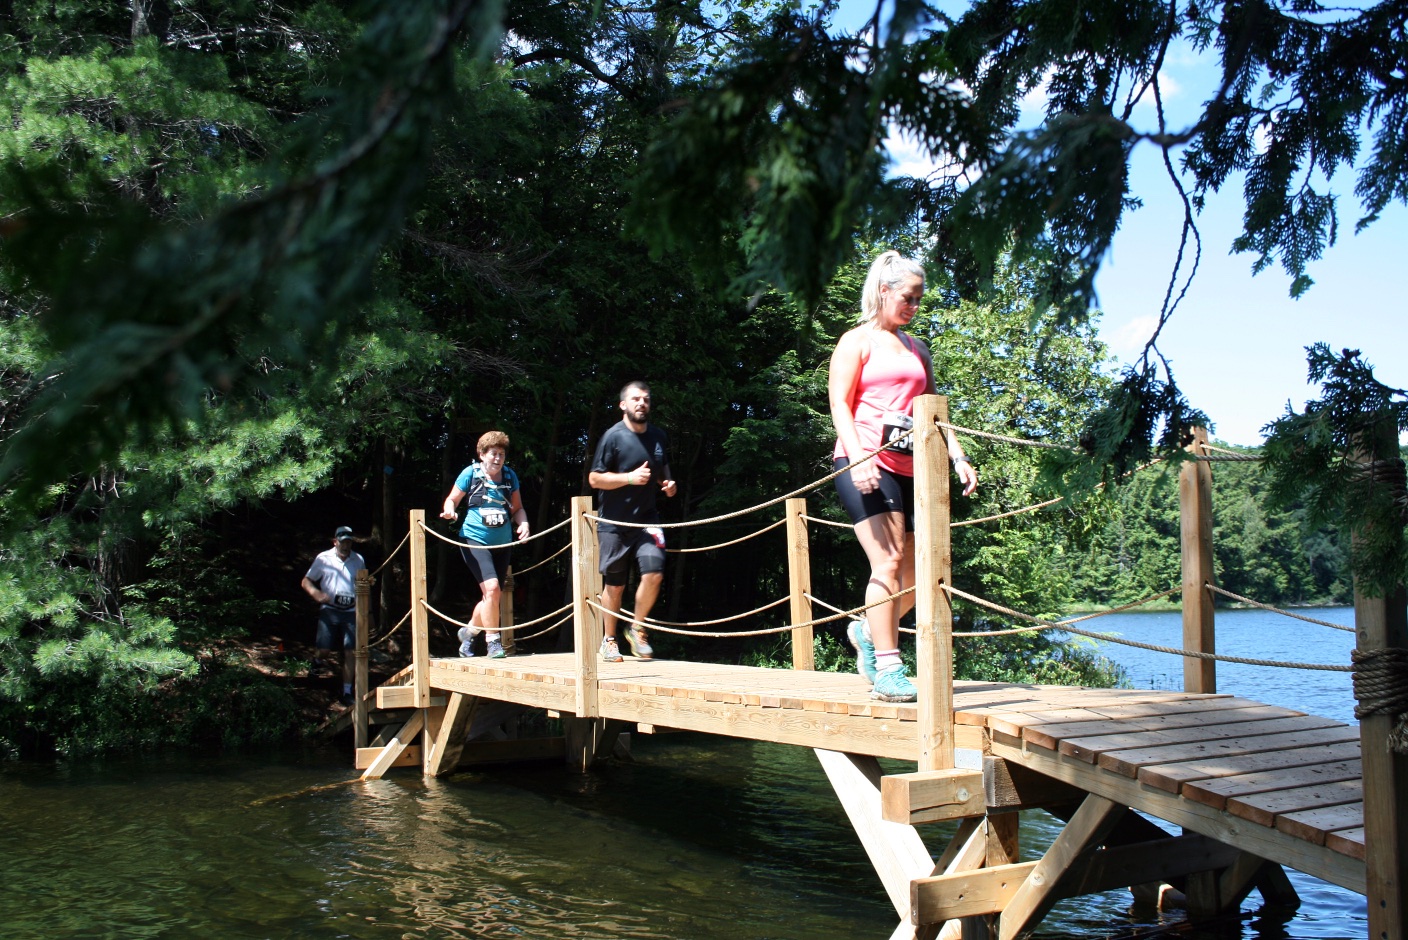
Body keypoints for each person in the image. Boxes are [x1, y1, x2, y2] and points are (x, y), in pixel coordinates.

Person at [828, 250, 978, 703]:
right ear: (883, 291)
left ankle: (867, 631)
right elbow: (839, 404)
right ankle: (889, 669)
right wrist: (859, 457)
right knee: (888, 562)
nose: (913, 306)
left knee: (915, 571)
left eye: (918, 299)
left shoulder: (917, 349)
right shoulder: (856, 341)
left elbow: (934, 410)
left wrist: (958, 456)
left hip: (912, 467)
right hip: (864, 462)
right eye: (907, 298)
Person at [588, 381, 677, 662]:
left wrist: (667, 483)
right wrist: (628, 478)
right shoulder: (612, 437)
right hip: (614, 523)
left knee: (655, 572)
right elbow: (594, 478)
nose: (642, 403)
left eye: (646, 399)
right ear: (623, 405)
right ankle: (609, 640)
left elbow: (661, 468)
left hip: (647, 520)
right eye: (636, 399)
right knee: (615, 586)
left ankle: (637, 628)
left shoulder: (658, 436)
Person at [440, 430, 531, 659]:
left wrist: (523, 523)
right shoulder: (470, 473)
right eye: (493, 453)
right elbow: (452, 499)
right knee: (492, 589)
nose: (498, 458)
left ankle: (469, 633)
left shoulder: (509, 476)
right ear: (482, 454)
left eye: (501, 454)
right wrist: (450, 511)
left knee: (492, 594)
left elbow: (517, 509)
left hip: (502, 543)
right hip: (474, 539)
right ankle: (493, 642)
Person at [301, 526, 367, 706]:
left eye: (349, 542)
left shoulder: (358, 560)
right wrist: (316, 594)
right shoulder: (324, 558)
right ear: (335, 542)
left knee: (351, 652)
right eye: (343, 542)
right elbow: (306, 581)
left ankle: (346, 691)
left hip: (351, 611)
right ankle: (317, 662)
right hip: (330, 610)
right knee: (324, 649)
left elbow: (363, 587)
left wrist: (367, 613)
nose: (346, 546)